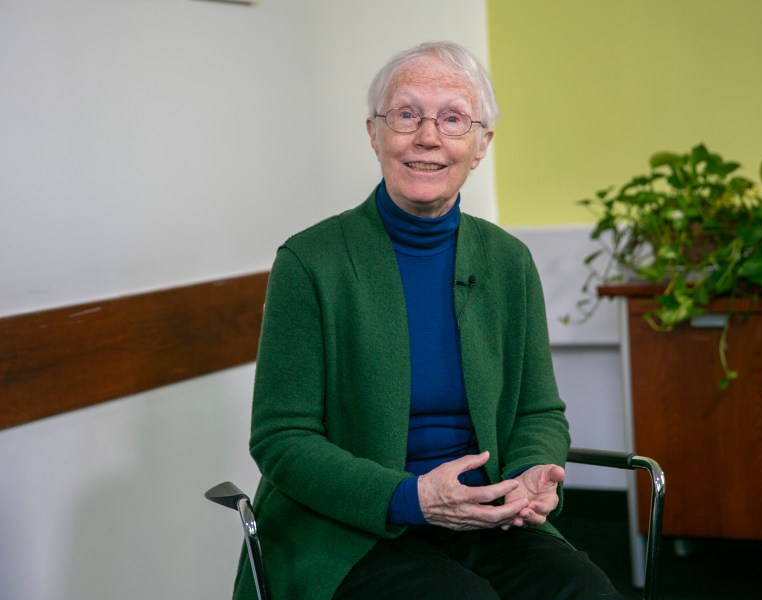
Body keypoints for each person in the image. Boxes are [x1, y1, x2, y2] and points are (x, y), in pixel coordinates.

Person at [234, 41, 622, 600]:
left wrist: (536, 468)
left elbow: (539, 409)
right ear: (374, 132)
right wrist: (411, 497)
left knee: (585, 593)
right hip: (351, 527)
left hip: (486, 514)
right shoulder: (310, 261)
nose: (428, 137)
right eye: (407, 114)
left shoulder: (508, 261)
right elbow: (281, 438)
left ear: (482, 143)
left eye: (453, 118)